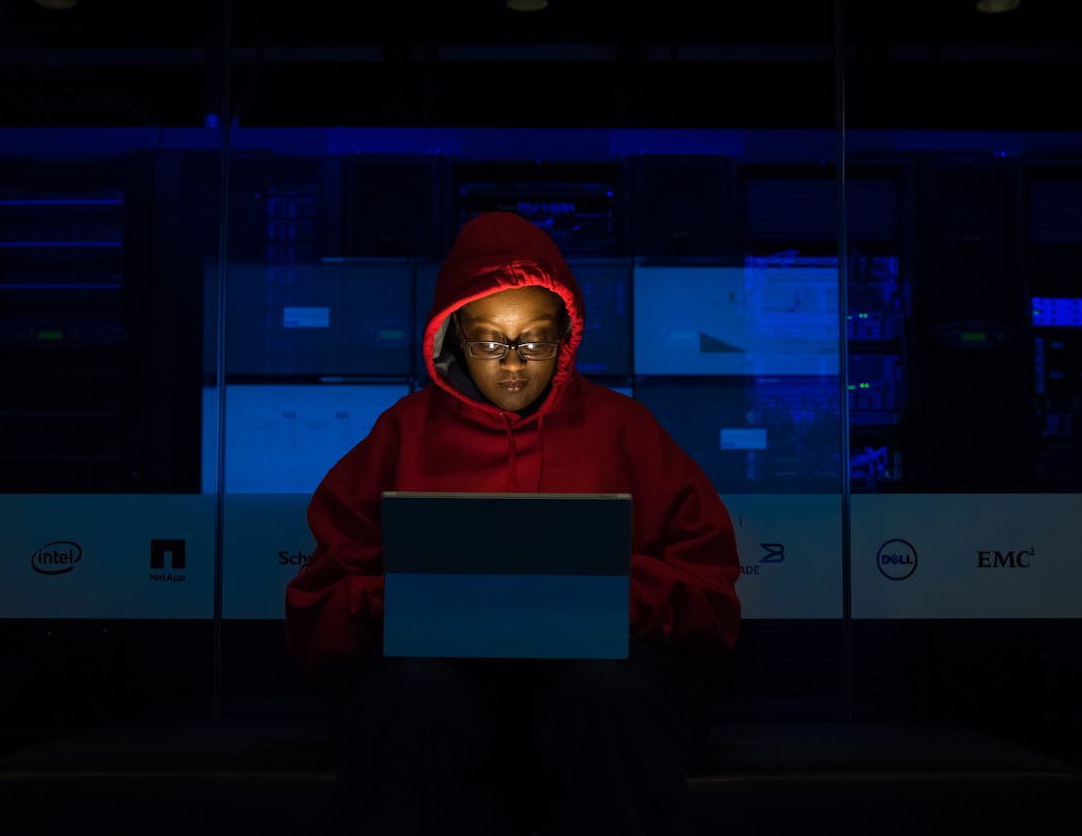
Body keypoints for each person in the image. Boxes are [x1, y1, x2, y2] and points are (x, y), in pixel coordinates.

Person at [285, 210, 741, 836]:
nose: (513, 363)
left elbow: (709, 584)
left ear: (566, 335)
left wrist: (615, 599)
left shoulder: (625, 429)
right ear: (452, 338)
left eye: (534, 338)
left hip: (596, 679)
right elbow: (322, 599)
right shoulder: (402, 432)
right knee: (415, 690)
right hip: (441, 680)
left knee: (604, 689)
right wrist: (405, 602)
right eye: (489, 341)